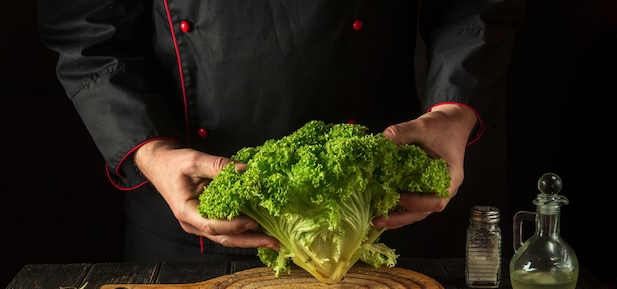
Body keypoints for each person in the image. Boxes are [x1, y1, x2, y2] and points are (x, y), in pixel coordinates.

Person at [37, 0, 524, 262]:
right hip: (187, 220)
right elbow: (85, 25)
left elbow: (476, 6)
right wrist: (150, 151)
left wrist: (452, 113)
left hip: (371, 211)